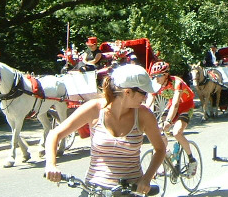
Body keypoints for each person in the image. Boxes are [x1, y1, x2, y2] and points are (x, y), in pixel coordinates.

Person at [45, 65, 165, 195]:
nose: (146, 98)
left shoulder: (144, 115)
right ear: (128, 92)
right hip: (94, 189)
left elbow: (160, 149)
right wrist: (51, 164)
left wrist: (146, 179)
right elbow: (54, 134)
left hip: (130, 190)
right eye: (144, 93)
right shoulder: (94, 109)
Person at [145, 61, 198, 176]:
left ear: (166, 75)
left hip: (185, 106)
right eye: (154, 76)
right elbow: (149, 101)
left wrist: (169, 121)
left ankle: (192, 160)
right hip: (171, 105)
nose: (156, 78)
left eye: (159, 75)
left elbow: (175, 104)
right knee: (158, 130)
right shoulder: (155, 84)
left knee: (176, 132)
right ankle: (166, 154)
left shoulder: (177, 82)